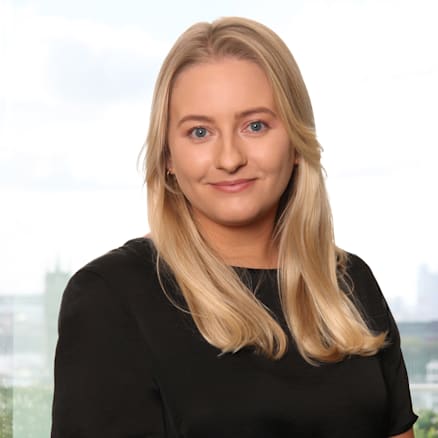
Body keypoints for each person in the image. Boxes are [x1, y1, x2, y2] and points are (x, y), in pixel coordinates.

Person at [51, 16, 418, 438]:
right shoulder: (110, 296)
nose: (229, 158)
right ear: (168, 157)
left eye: (255, 125)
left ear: (297, 142)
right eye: (200, 131)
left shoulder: (349, 283)